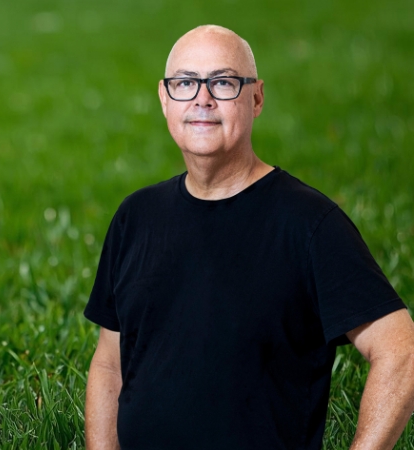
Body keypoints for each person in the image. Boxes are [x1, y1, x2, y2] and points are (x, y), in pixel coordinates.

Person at [83, 25, 414, 450]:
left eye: (222, 82)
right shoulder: (136, 217)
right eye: (185, 83)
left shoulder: (309, 224)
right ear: (165, 99)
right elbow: (110, 364)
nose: (202, 99)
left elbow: (400, 350)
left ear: (256, 98)